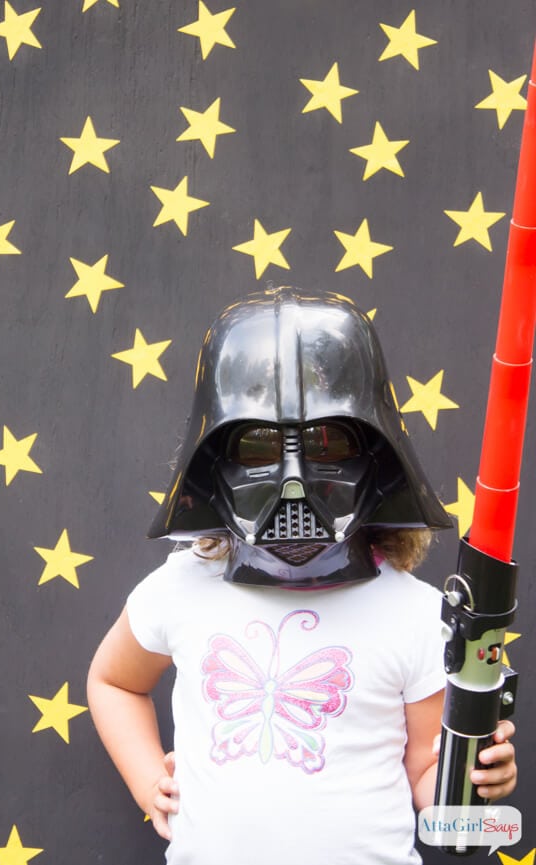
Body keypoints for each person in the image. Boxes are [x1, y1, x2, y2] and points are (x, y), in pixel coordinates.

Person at [88, 288, 517, 865]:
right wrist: (148, 780)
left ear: (377, 453)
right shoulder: (181, 588)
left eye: (325, 442)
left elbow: (428, 774)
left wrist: (473, 781)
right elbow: (114, 681)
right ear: (213, 457)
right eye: (260, 444)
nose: (294, 485)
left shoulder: (417, 615)